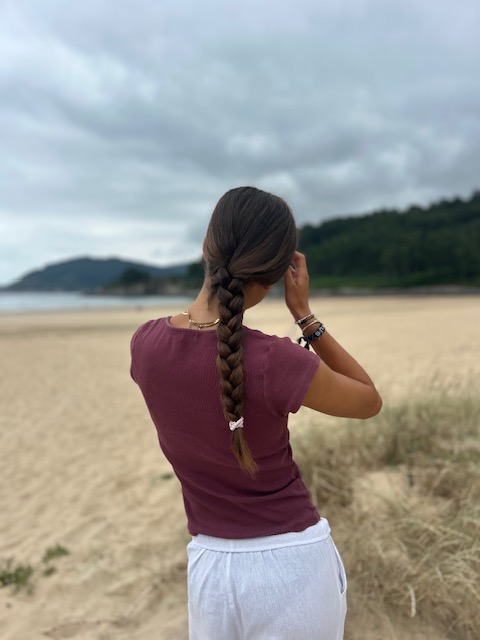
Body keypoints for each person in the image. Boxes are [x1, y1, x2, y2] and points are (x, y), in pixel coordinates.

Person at [130, 186, 382, 640]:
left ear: (205, 246)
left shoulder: (145, 345)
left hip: (208, 568)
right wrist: (305, 316)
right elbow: (368, 400)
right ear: (274, 277)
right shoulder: (273, 360)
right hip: (294, 568)